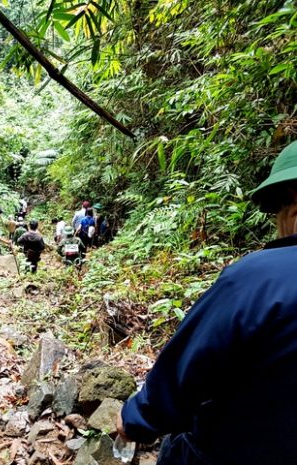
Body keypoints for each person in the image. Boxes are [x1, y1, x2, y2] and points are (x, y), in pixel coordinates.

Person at [116, 140, 297, 465]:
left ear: (293, 207)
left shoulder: (255, 278)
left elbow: (187, 372)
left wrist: (135, 418)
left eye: (277, 212)